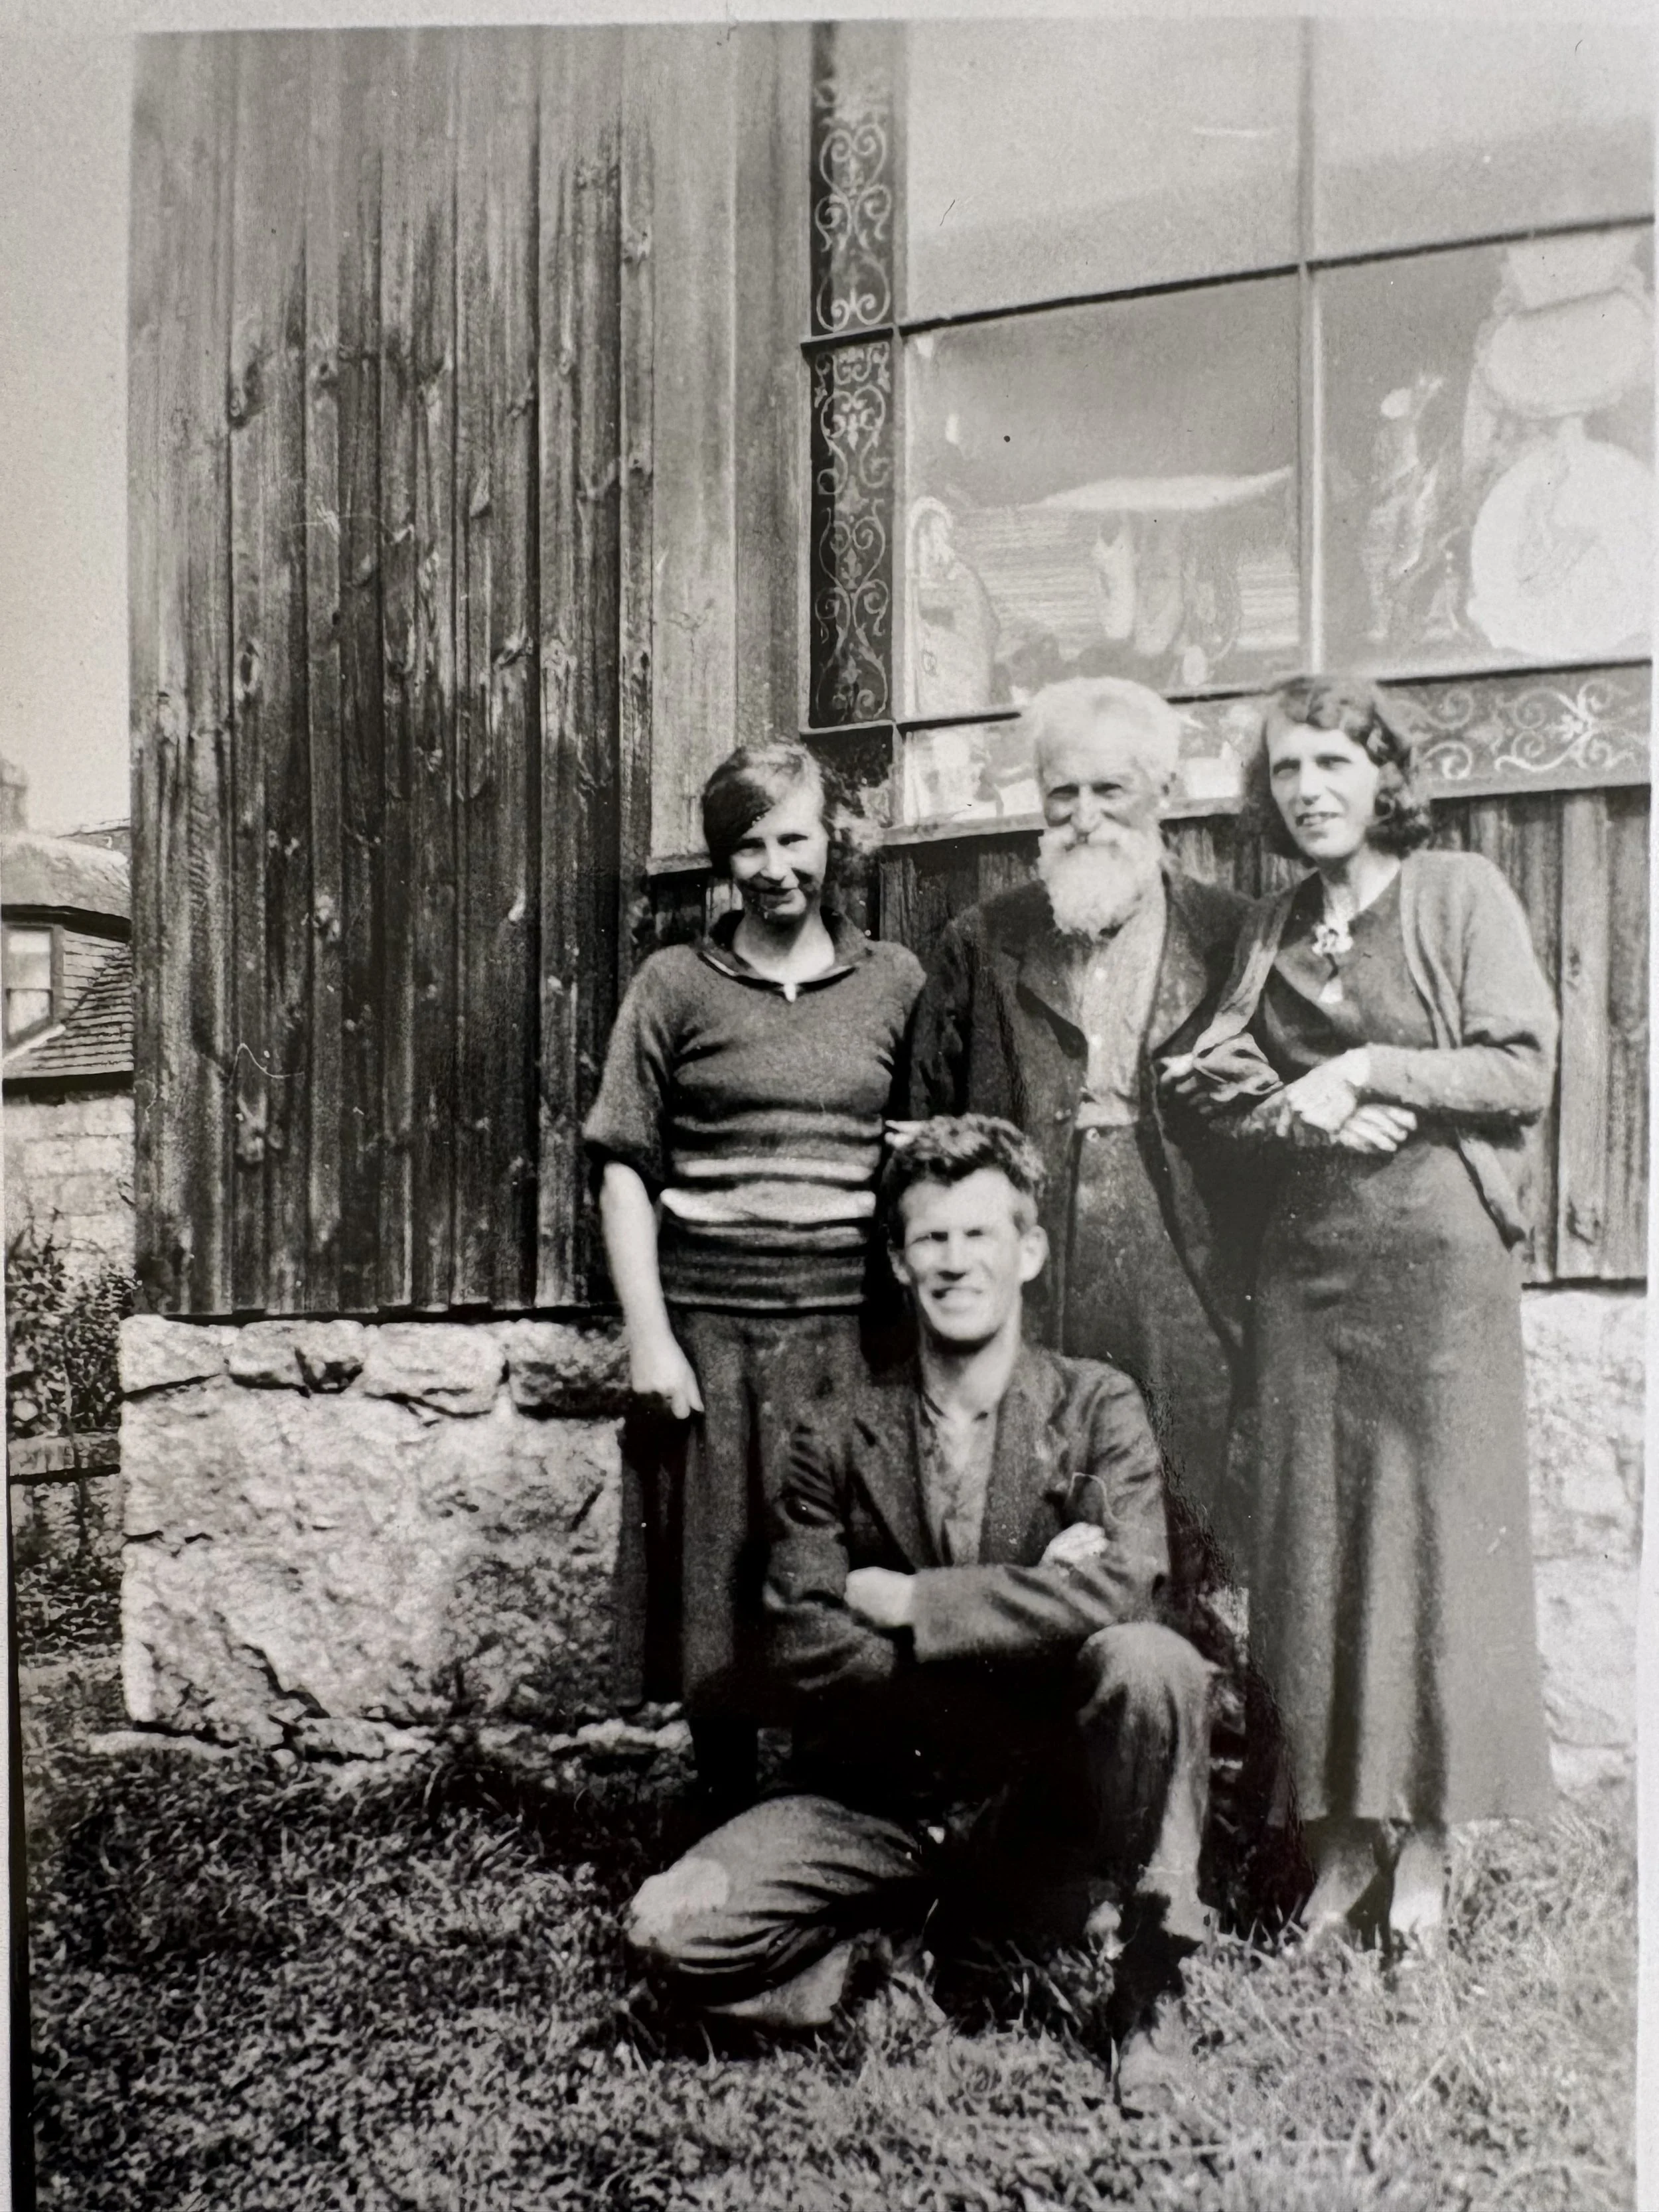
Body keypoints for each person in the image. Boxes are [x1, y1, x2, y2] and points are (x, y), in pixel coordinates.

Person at [623, 1116, 1214, 2112]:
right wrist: (1032, 1606)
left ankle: (1149, 1993)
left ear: (1027, 1251)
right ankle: (900, 1966)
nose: (955, 1262)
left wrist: (912, 1603)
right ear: (898, 1261)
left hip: (1033, 1800)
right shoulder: (833, 1430)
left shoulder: (1094, 1407)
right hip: (873, 1797)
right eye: (930, 1239)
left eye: (980, 1235)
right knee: (667, 1937)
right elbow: (803, 1638)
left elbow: (1127, 1587)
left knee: (1152, 1662)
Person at [1163, 674, 1559, 1953]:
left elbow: (1522, 1065)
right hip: (1306, 1268)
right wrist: (1298, 1109)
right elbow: (1207, 1077)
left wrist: (1368, 1069)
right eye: (1287, 771)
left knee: (1435, 1545)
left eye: (1334, 762)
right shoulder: (1273, 922)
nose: (1311, 790)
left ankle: (1427, 1854)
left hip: (1438, 1264)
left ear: (1384, 773)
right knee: (1311, 1549)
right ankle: (1337, 1851)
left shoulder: (1457, 896)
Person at [583, 742, 924, 1812]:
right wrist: (649, 1336)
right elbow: (624, 1168)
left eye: (795, 838)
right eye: (748, 845)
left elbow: (920, 1158)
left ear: (837, 840)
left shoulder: (895, 983)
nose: (775, 867)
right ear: (720, 861)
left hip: (847, 1341)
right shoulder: (674, 983)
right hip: (711, 1336)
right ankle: (726, 1811)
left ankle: (835, 1821)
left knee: (838, 1582)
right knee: (717, 1601)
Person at [907, 676, 1256, 1578]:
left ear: (1164, 796)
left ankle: (1184, 1689)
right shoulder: (982, 941)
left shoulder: (1231, 937)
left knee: (1189, 1479)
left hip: (1185, 1246)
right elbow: (923, 1132)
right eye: (1065, 793)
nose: (1087, 817)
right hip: (1032, 1250)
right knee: (1036, 1472)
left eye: (1113, 791)